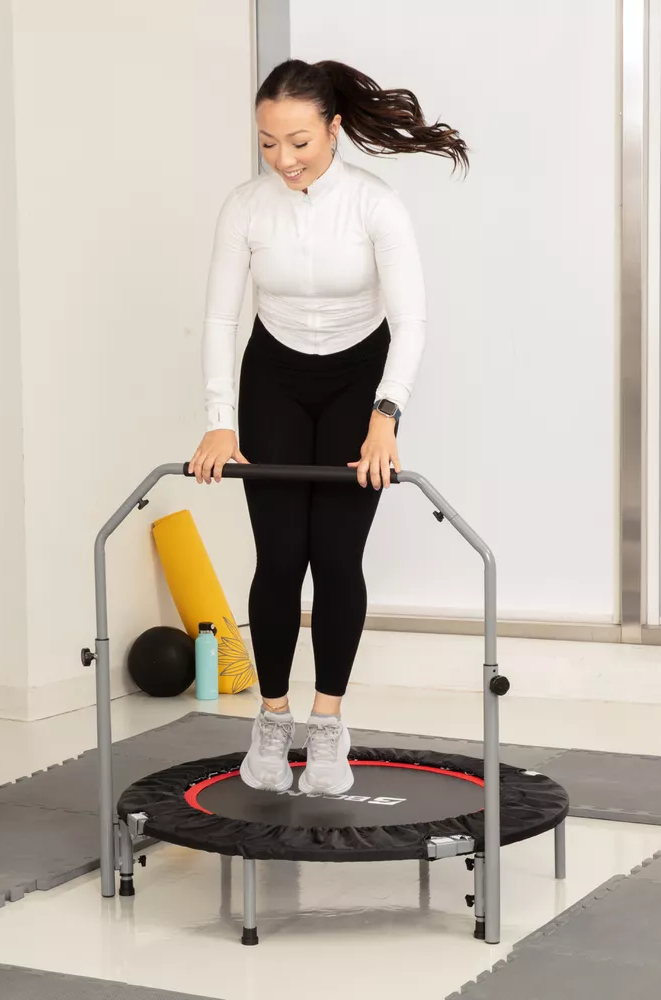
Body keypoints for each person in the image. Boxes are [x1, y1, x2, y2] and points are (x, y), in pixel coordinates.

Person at [187, 59, 469, 796]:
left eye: (300, 142)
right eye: (268, 143)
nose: (284, 159)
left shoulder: (376, 206)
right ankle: (273, 722)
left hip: (357, 381)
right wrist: (221, 422)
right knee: (279, 558)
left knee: (336, 559)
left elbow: (410, 320)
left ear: (334, 128)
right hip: (273, 378)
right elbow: (220, 317)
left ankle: (329, 723)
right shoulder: (246, 207)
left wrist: (386, 416)